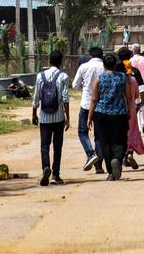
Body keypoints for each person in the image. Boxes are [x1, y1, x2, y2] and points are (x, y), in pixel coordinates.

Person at [88, 52, 135, 181]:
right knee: (120, 141)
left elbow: (94, 99)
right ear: (115, 65)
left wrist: (89, 117)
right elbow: (129, 97)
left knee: (105, 143)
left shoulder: (99, 78)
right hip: (119, 114)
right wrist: (130, 112)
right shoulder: (122, 78)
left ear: (104, 65)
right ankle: (117, 160)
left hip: (101, 114)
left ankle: (110, 171)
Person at [32, 50, 70, 187]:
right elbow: (65, 98)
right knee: (57, 146)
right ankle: (55, 174)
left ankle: (45, 168)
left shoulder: (40, 76)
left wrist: (33, 113)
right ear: (61, 61)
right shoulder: (64, 76)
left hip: (44, 117)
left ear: (49, 61)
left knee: (44, 145)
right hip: (58, 116)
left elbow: (36, 96)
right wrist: (68, 117)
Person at [72, 46, 105, 172]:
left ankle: (90, 154)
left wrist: (84, 86)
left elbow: (75, 85)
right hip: (101, 105)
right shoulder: (104, 67)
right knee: (99, 135)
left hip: (86, 104)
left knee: (82, 132)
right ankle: (98, 166)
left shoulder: (84, 67)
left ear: (90, 56)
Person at [117, 45, 144, 169]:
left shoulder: (116, 71)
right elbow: (142, 89)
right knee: (132, 131)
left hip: (118, 108)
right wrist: (141, 102)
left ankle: (121, 156)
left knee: (120, 132)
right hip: (132, 107)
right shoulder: (134, 73)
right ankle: (129, 153)